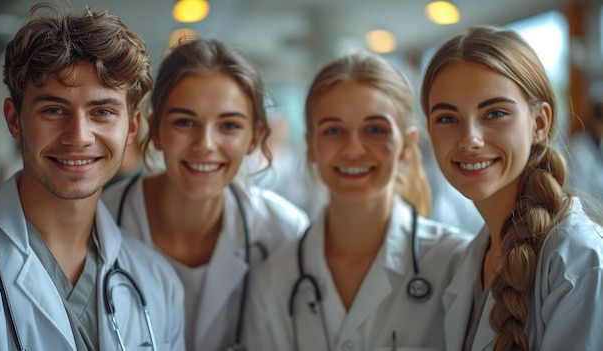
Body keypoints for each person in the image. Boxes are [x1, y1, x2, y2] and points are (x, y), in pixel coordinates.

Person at [0, 4, 186, 350]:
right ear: (14, 119)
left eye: (102, 112)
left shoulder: (156, 281)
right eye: (54, 110)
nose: (78, 136)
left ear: (131, 127)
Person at [243, 51, 472, 351]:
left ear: (406, 144)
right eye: (333, 130)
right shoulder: (273, 280)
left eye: (375, 129)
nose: (353, 149)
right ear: (311, 146)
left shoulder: (457, 264)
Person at [101, 37, 310, 351]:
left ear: (255, 137)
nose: (205, 144)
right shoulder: (100, 222)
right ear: (156, 131)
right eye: (185, 122)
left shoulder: (285, 231)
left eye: (229, 126)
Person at [421, 25, 603, 351]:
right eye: (448, 119)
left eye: (495, 113)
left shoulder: (579, 259)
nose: (470, 139)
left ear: (539, 124)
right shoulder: (475, 256)